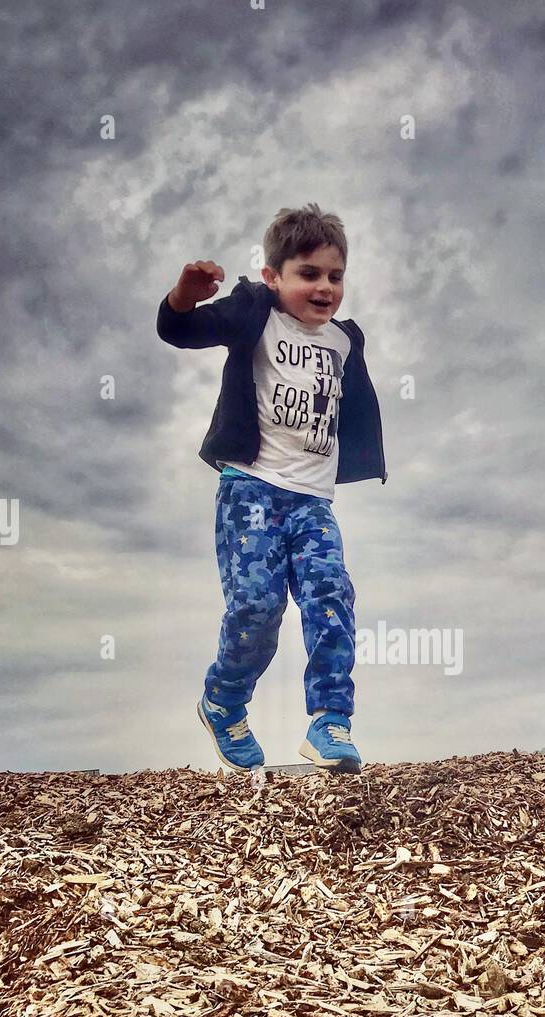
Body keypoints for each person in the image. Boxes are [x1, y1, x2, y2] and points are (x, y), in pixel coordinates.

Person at [156, 203, 387, 774]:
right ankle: (224, 702)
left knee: (331, 597)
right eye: (308, 274)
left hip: (313, 502)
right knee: (257, 607)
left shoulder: (345, 341)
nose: (324, 287)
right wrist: (184, 294)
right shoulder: (254, 313)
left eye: (335, 276)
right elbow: (178, 329)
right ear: (272, 276)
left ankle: (330, 720)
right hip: (251, 491)